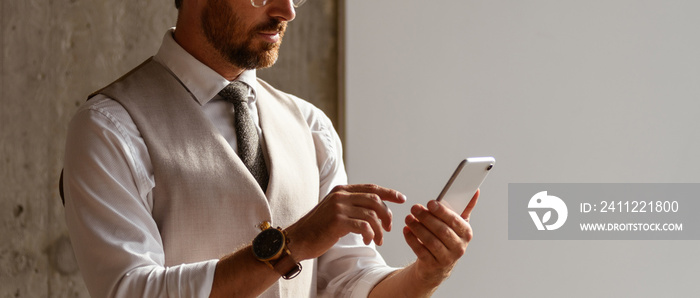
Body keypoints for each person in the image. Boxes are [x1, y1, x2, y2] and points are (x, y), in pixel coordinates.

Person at [62, 0, 480, 297]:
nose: (287, 10)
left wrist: (428, 272)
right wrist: (292, 244)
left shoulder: (311, 126)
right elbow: (132, 291)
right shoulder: (109, 128)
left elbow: (350, 286)